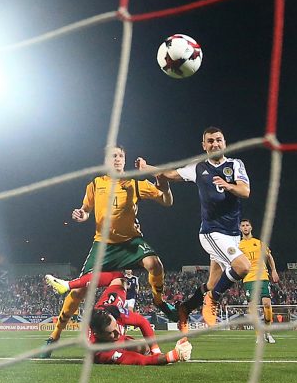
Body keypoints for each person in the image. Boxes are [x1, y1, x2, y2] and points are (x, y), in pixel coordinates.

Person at [40, 145, 177, 358]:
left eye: (121, 155)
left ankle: (158, 300)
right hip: (103, 246)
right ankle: (54, 337)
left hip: (130, 242)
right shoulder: (96, 184)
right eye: (113, 156)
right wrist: (81, 215)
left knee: (155, 264)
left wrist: (164, 186)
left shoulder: (135, 183)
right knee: (78, 292)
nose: (117, 159)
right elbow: (85, 210)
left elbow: (167, 201)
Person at [137, 126, 251, 331]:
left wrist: (228, 185)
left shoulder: (235, 165)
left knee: (211, 283)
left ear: (224, 142)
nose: (215, 144)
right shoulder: (198, 168)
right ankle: (213, 300)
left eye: (218, 140)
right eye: (210, 141)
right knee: (242, 267)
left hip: (232, 234)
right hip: (212, 232)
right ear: (204, 145)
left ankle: (185, 309)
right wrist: (147, 168)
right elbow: (169, 174)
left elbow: (245, 191)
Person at [88, 277, 192, 365]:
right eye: (111, 332)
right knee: (142, 349)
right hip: (112, 346)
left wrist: (155, 351)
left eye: (116, 327)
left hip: (116, 333)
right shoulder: (100, 353)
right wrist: (174, 355)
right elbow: (142, 360)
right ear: (98, 334)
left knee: (145, 347)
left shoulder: (115, 310)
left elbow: (142, 322)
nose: (117, 332)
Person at [239, 218, 279, 343]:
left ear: (251, 228)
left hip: (262, 276)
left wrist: (274, 270)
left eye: (247, 225)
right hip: (248, 278)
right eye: (243, 225)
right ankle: (259, 335)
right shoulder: (238, 245)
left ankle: (268, 332)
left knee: (267, 304)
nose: (245, 227)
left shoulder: (259, 243)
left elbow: (269, 256)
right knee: (252, 307)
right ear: (240, 228)